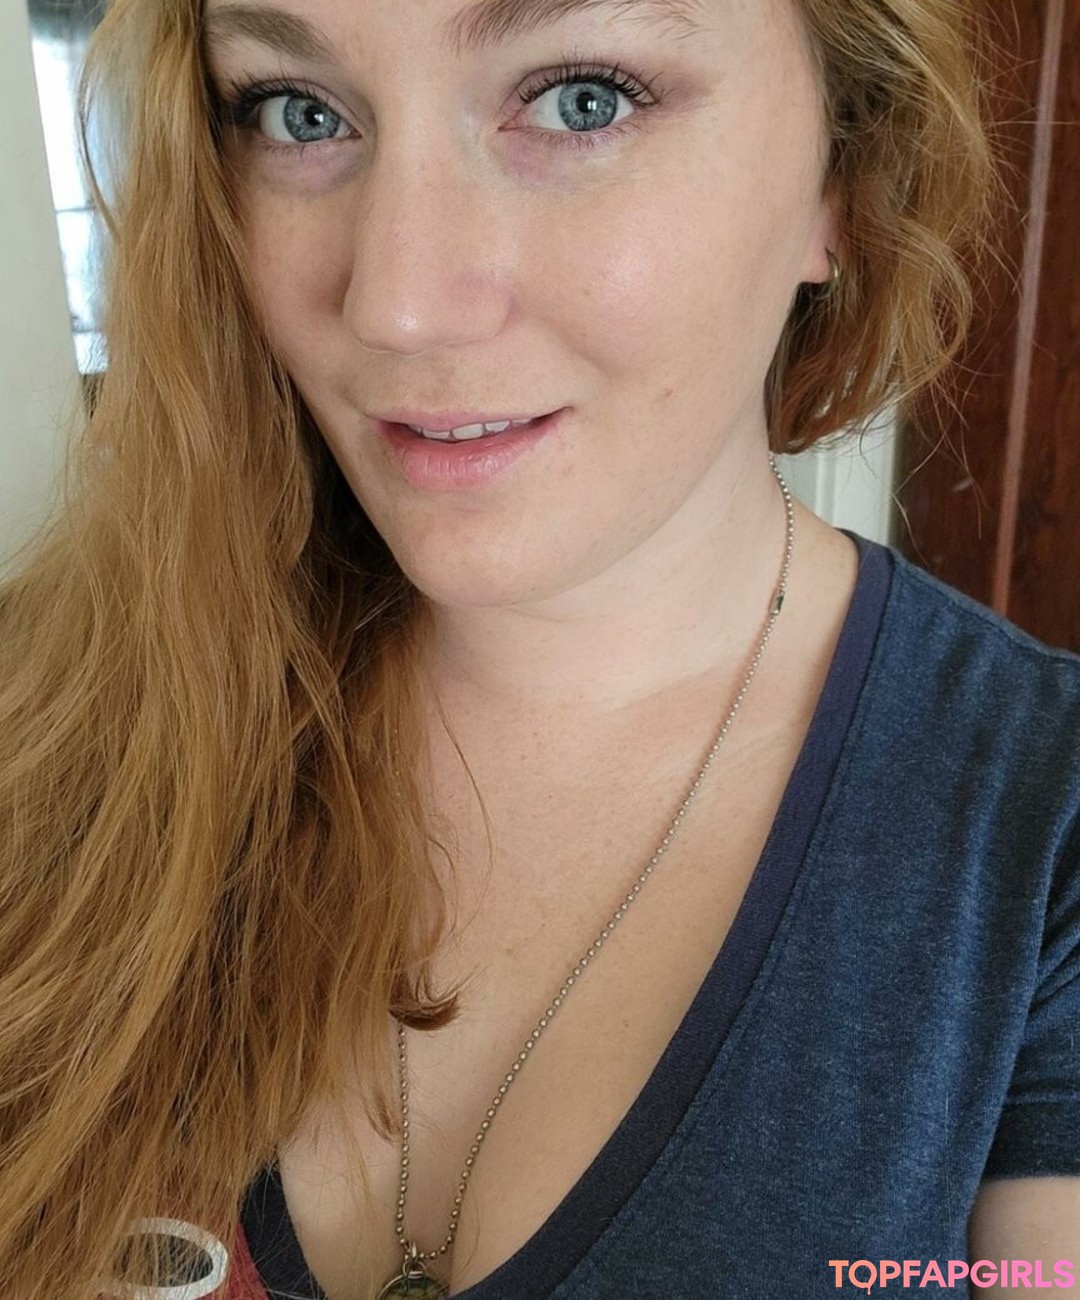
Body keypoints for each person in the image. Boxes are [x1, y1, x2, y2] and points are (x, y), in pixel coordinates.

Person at [0, 0, 1077, 1296]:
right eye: (299, 113)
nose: (397, 306)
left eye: (582, 99)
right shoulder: (41, 725)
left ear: (844, 170)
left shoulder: (1043, 839)